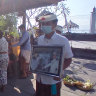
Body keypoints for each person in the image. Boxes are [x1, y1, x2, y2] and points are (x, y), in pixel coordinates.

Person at [35, 13, 73, 96]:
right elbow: (37, 56)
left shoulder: (63, 40)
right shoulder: (39, 39)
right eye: (43, 24)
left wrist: (58, 71)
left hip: (53, 81)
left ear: (55, 24)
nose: (44, 26)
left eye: (47, 23)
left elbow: (69, 59)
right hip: (39, 80)